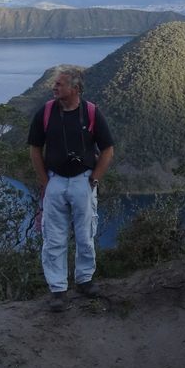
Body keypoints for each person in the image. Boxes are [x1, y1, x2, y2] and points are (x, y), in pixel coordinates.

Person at [27, 68, 115, 312]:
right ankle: (58, 289)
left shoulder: (91, 113)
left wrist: (94, 179)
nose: (54, 87)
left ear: (75, 89)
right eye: (55, 84)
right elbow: (34, 148)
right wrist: (45, 181)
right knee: (53, 237)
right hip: (55, 181)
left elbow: (107, 149)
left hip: (82, 181)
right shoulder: (45, 112)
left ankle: (84, 280)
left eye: (60, 84)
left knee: (85, 234)